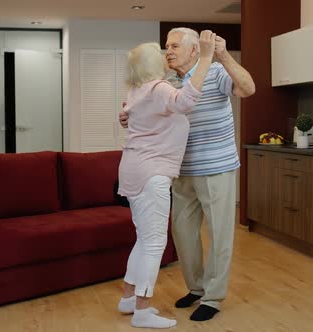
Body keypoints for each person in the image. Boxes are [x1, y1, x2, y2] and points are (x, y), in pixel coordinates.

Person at [119, 27, 256, 322]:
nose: (167, 51)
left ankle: (214, 297)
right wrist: (128, 115)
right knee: (182, 233)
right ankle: (195, 288)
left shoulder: (216, 71)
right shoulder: (166, 81)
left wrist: (222, 55)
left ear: (195, 50)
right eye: (166, 46)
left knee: (220, 235)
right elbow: (147, 109)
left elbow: (247, 89)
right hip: (180, 169)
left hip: (217, 166)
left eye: (174, 46)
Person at [116, 30, 217, 329]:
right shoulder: (158, 87)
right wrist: (207, 58)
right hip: (152, 173)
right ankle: (143, 311)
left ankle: (128, 298)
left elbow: (131, 117)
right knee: (155, 242)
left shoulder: (137, 91)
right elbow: (186, 103)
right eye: (161, 52)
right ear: (151, 64)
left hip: (133, 170)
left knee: (144, 238)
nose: (166, 55)